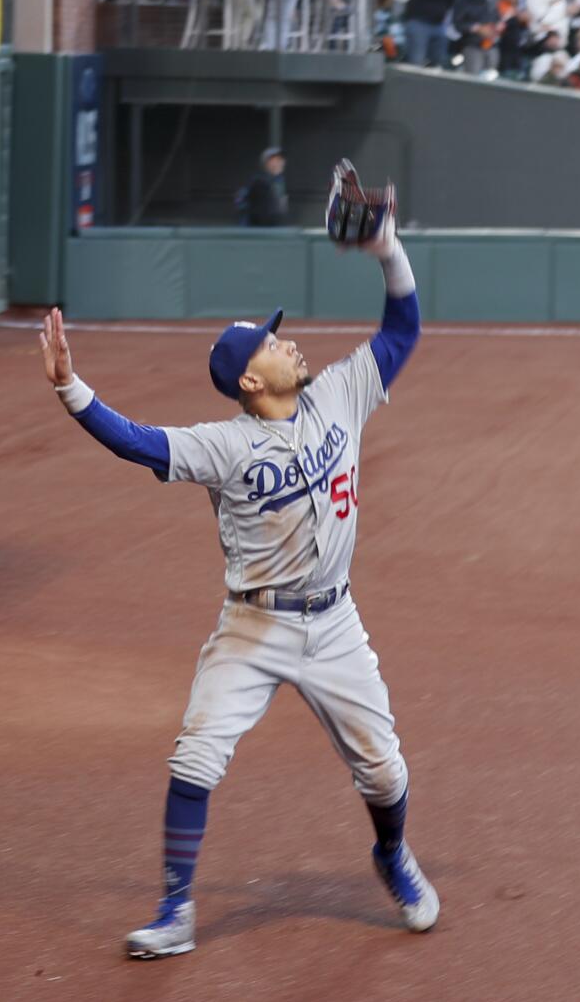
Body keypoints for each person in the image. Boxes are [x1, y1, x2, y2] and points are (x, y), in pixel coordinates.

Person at [36, 205, 438, 960]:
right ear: (253, 378)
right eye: (274, 343)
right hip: (254, 628)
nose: (290, 341)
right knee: (194, 757)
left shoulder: (340, 394)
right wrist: (71, 389)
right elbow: (137, 443)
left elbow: (402, 330)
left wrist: (387, 248)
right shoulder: (223, 445)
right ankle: (176, 909)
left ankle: (391, 855)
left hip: (335, 624)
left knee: (384, 771)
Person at [236, 147, 290, 226]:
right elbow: (264, 215)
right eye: (276, 160)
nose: (281, 162)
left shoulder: (279, 183)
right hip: (259, 232)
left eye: (281, 160)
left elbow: (281, 210)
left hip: (273, 230)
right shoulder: (260, 182)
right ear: (267, 163)